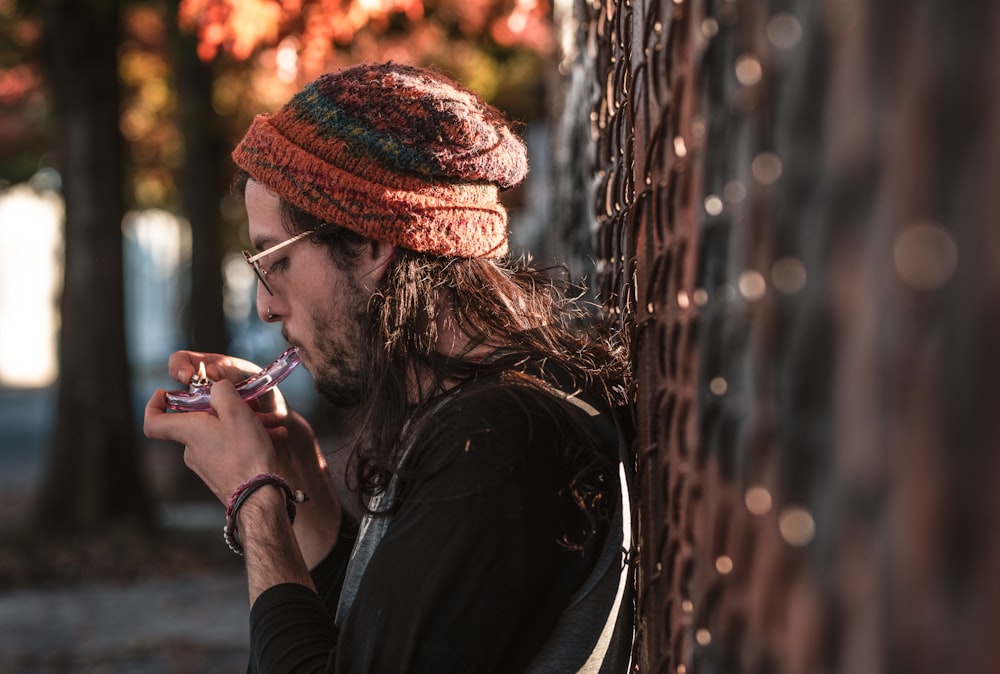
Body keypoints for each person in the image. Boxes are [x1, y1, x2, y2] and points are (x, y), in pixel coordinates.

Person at [144, 61, 634, 673]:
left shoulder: (503, 441)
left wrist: (256, 501)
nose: (267, 305)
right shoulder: (483, 412)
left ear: (372, 243)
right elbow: (369, 637)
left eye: (274, 261)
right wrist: (300, 477)